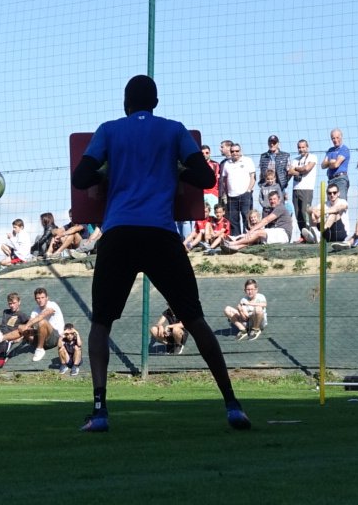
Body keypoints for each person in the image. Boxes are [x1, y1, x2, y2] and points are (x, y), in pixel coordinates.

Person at [71, 74, 248, 432]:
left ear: (126, 103)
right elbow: (205, 178)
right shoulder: (173, 130)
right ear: (156, 102)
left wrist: (109, 171)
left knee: (101, 323)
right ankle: (232, 406)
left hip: (119, 232)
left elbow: (81, 178)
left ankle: (101, 410)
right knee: (195, 319)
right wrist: (176, 166)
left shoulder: (109, 130)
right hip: (161, 233)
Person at [221, 190, 294, 251]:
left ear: (279, 199)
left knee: (257, 233)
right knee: (256, 237)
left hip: (283, 234)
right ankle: (236, 247)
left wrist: (251, 230)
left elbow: (266, 220)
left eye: (274, 199)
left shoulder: (280, 207)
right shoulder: (272, 210)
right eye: (270, 199)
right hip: (277, 233)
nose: (272, 201)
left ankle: (232, 243)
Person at [10, 285, 64, 363]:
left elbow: (42, 316)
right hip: (41, 338)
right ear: (35, 300)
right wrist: (24, 330)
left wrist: (27, 326)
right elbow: (30, 322)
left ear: (47, 298)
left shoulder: (52, 305)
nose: (40, 300)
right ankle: (2, 338)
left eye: (42, 297)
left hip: (54, 338)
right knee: (21, 327)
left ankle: (40, 349)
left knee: (42, 322)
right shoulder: (35, 311)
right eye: (38, 298)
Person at [220, 140, 256, 237]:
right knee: (233, 219)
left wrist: (248, 190)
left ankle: (248, 238)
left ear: (240, 151)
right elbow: (224, 180)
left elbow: (253, 177)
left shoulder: (247, 160)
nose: (235, 153)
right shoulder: (227, 163)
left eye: (237, 151)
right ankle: (236, 239)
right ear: (230, 152)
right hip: (232, 196)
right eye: (233, 151)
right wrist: (227, 193)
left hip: (245, 194)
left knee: (246, 216)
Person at [289, 138, 319, 237]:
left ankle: (310, 233)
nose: (301, 149)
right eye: (299, 147)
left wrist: (297, 169)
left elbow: (307, 169)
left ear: (307, 147)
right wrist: (300, 170)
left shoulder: (312, 157)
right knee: (298, 214)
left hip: (307, 188)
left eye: (303, 147)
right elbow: (290, 171)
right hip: (295, 189)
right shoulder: (295, 159)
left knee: (305, 212)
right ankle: (303, 235)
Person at [0, 291, 27, 366]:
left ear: (19, 302)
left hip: (8, 337)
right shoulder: (6, 312)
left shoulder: (22, 315)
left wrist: (20, 337)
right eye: (10, 303)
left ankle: (0, 362)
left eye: (14, 303)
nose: (12, 305)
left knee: (4, 342)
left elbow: (28, 328)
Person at [256, 135, 290, 200]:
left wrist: (284, 182)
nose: (272, 144)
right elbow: (261, 172)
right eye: (270, 143)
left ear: (278, 144)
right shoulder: (263, 156)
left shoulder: (285, 155)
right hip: (267, 186)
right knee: (267, 206)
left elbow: (289, 172)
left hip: (280, 186)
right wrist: (262, 184)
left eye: (274, 143)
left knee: (279, 206)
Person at [322, 128, 353, 199]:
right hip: (330, 180)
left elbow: (336, 165)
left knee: (340, 202)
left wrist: (329, 163)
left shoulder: (344, 149)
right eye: (333, 138)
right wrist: (330, 162)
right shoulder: (330, 150)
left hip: (340, 179)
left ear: (341, 137)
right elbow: (323, 165)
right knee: (330, 203)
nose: (335, 140)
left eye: (337, 137)